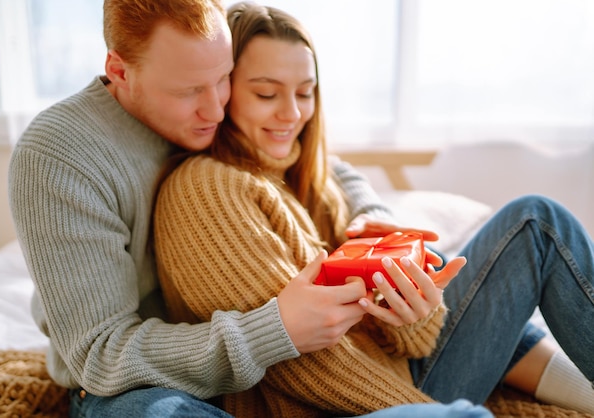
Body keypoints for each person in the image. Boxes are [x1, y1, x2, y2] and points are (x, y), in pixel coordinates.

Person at [153, 1, 594, 417]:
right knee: (537, 223)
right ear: (225, 92)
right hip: (372, 402)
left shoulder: (309, 183)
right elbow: (295, 361)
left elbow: (412, 340)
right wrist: (430, 411)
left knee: (517, 254)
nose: (291, 113)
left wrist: (416, 309)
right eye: (267, 94)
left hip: (404, 376)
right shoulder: (206, 190)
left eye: (305, 93)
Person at [6, 0, 420, 417]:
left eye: (225, 79)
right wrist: (273, 330)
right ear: (119, 71)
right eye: (188, 91)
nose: (217, 109)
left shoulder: (206, 106)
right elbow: (100, 356)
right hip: (128, 384)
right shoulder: (60, 154)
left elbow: (321, 162)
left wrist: (372, 214)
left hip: (235, 379)